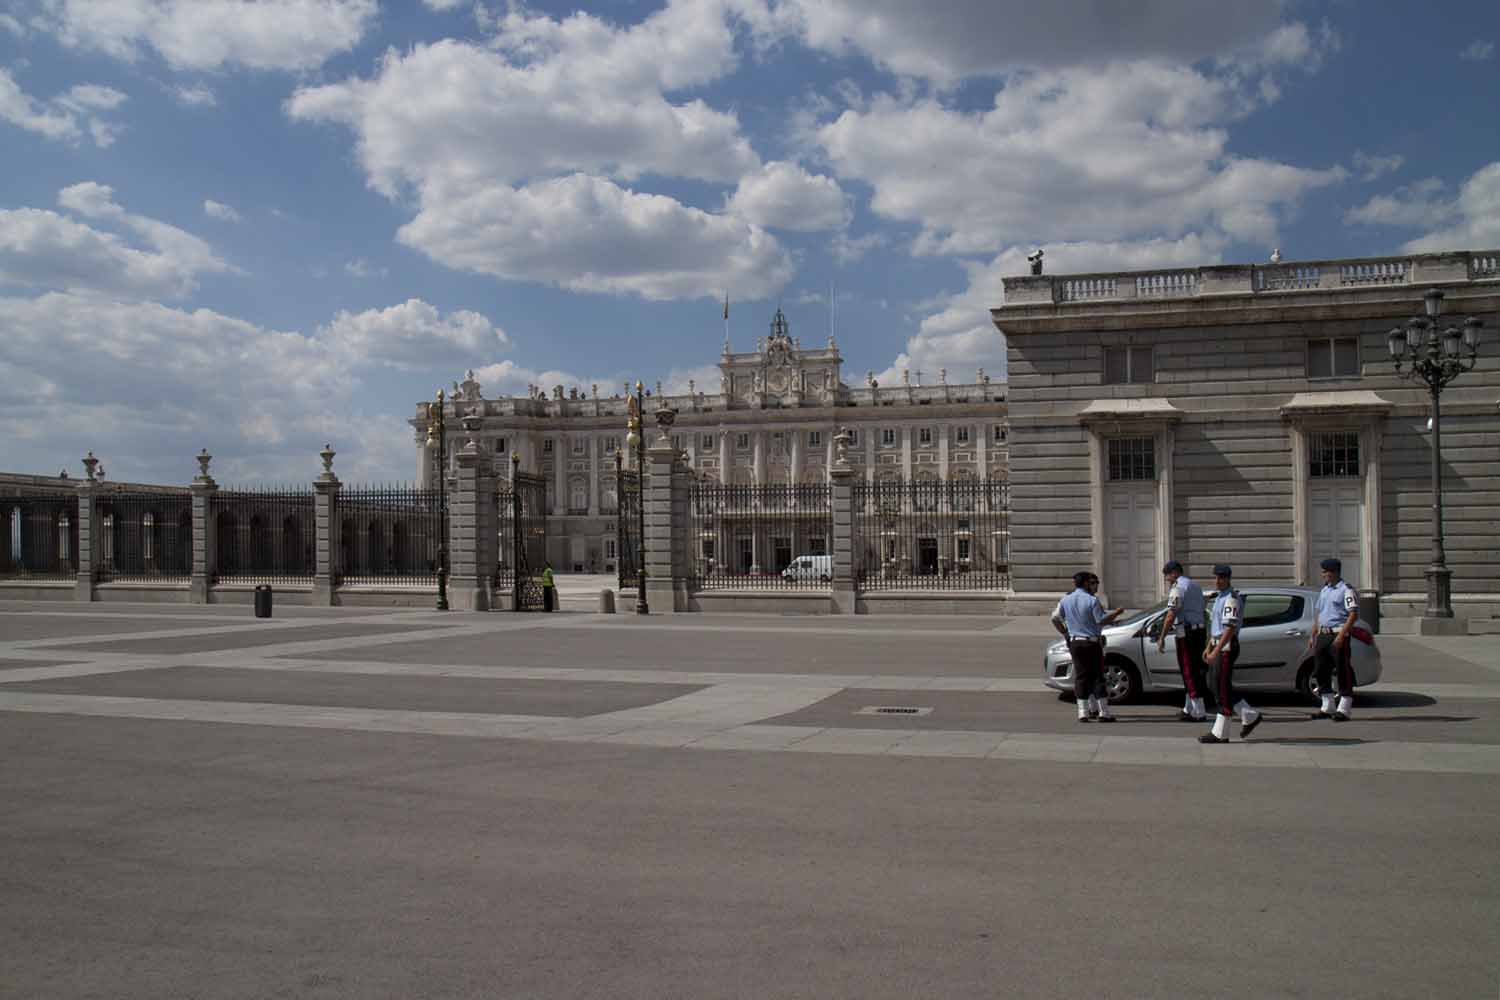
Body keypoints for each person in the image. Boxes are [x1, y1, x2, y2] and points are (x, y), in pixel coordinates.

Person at [1198, 564, 1263, 743]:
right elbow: (1217, 628)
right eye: (1215, 577)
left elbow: (1229, 629)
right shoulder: (1219, 598)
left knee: (1221, 688)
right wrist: (1209, 646)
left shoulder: (1231, 599)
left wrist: (1216, 651)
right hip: (1218, 645)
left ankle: (1221, 733)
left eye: (1221, 578)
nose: (1217, 581)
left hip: (1226, 648)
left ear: (1228, 578)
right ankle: (1249, 715)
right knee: (1215, 685)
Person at [1051, 571, 1126, 722]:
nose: (1093, 585)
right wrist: (1117, 613)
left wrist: (1065, 633)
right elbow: (1101, 620)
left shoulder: (1066, 599)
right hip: (1091, 643)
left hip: (1075, 642)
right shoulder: (1091, 600)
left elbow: (1055, 618)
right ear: (1085, 583)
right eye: (1091, 582)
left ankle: (1083, 712)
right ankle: (1104, 713)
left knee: (1081, 676)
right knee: (1097, 676)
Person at [1308, 557, 1360, 721]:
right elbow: (1319, 613)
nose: (1323, 575)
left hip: (1338, 634)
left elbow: (1353, 614)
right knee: (1320, 670)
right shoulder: (1325, 589)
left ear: (1335, 572)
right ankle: (1327, 706)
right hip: (1323, 634)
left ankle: (1344, 709)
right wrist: (1313, 635)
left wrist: (1341, 635)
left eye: (1325, 572)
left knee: (1342, 670)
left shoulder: (1346, 590)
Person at [1157, 560, 1208, 721]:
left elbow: (1171, 614)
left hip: (1186, 633)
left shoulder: (1178, 588)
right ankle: (1188, 708)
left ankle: (1199, 711)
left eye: (1167, 575)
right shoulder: (1195, 585)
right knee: (1195, 671)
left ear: (1174, 573)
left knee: (1189, 671)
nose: (1166, 579)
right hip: (1199, 631)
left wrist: (1162, 637)